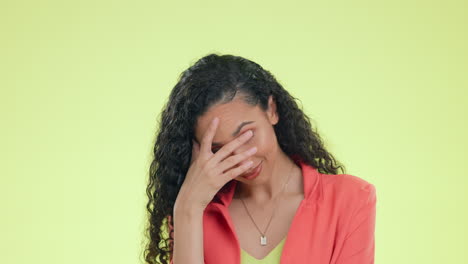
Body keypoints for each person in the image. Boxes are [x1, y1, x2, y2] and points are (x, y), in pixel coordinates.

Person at [143, 53, 377, 264]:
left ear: (272, 110)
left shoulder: (351, 199)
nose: (241, 158)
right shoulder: (194, 215)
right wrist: (187, 208)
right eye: (218, 149)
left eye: (246, 135)